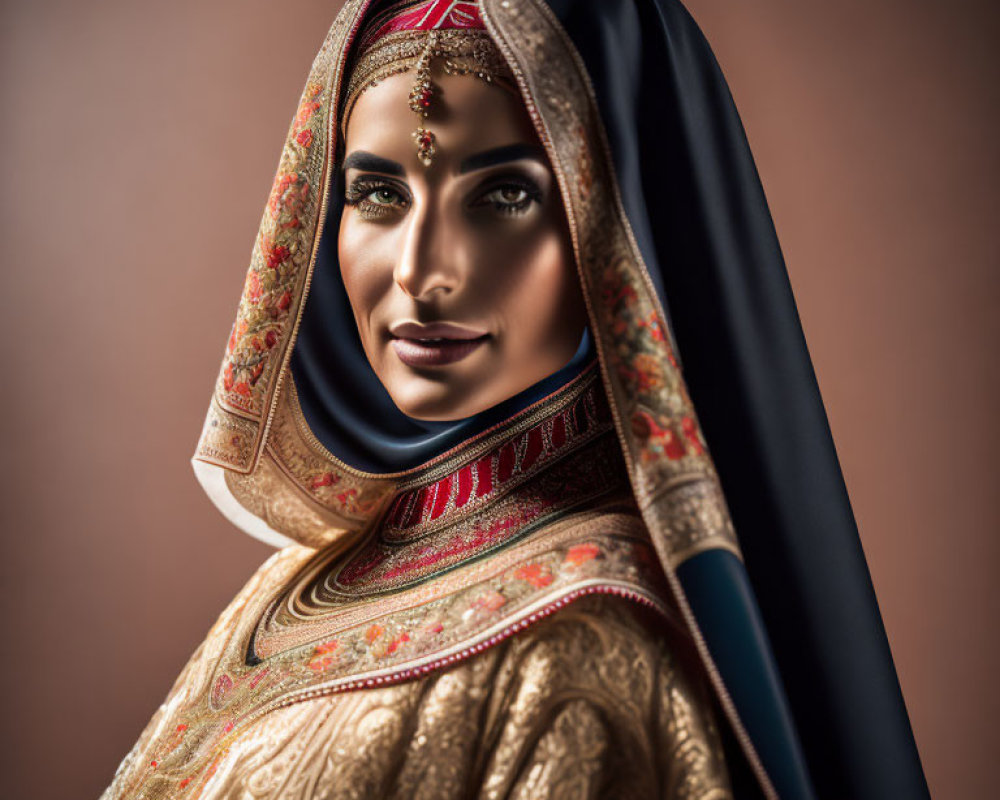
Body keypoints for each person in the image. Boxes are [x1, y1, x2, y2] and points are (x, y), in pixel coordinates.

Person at [102, 1, 929, 798]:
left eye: (502, 196)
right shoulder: (311, 579)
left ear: (615, 221)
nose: (422, 272)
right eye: (379, 195)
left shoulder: (586, 644)